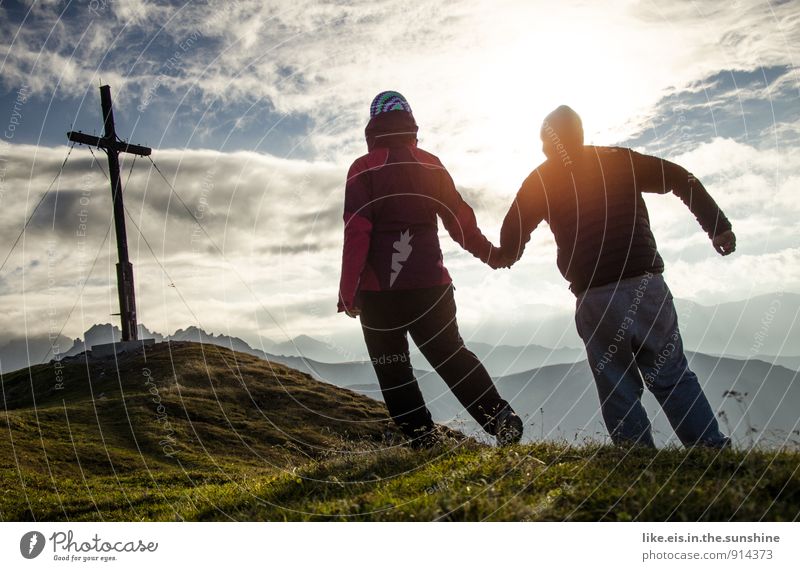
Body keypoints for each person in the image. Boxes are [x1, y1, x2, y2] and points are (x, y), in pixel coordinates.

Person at [498, 105, 735, 448]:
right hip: (646, 284)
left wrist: (506, 257)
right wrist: (718, 227)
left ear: (545, 144)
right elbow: (682, 177)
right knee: (671, 375)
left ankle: (637, 460)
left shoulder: (540, 180)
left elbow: (511, 233)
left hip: (596, 297)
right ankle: (710, 448)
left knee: (617, 383)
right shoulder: (619, 160)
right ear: (580, 133)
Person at [337, 91, 523, 448]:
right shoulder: (431, 165)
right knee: (451, 356)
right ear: (410, 122)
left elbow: (356, 232)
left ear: (373, 125)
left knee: (394, 371)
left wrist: (348, 292)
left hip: (380, 295)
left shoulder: (362, 169)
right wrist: (492, 255)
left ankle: (424, 441)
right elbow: (460, 222)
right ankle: (500, 418)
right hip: (431, 287)